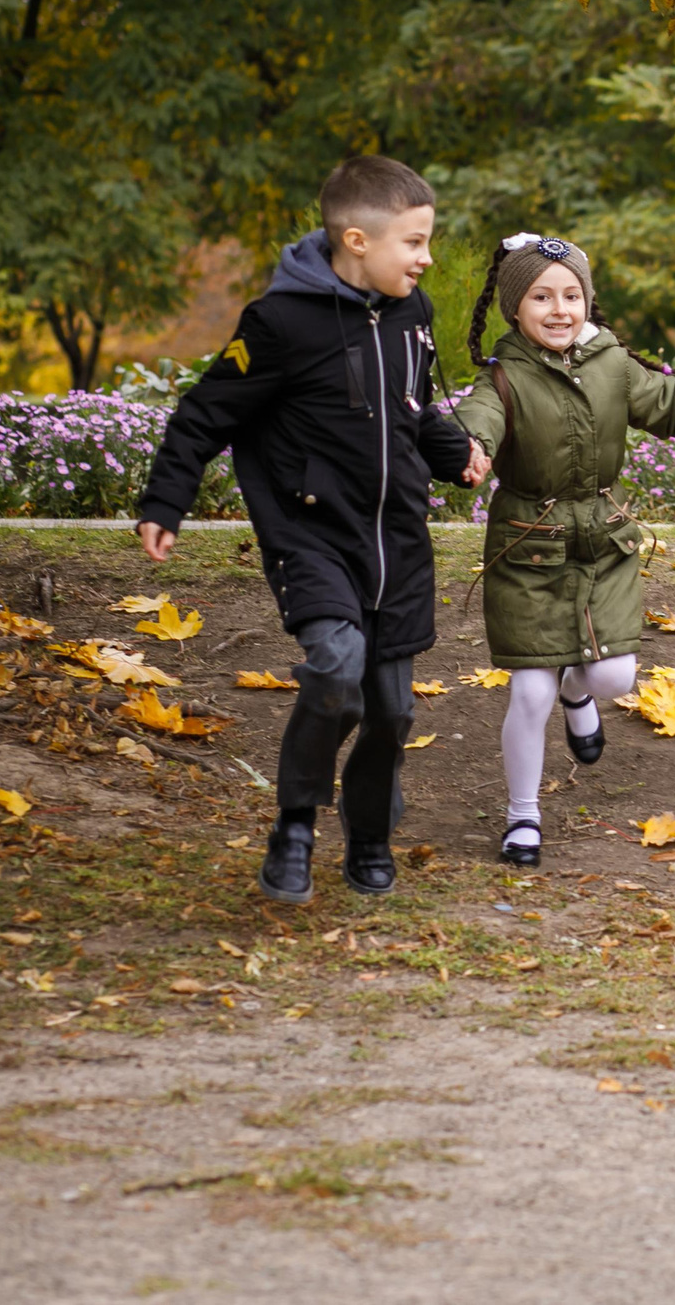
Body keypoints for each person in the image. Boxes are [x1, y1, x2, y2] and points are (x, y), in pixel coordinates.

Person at [137, 155, 489, 904]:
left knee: (392, 709)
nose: (427, 258)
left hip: (397, 543)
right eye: (415, 242)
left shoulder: (411, 315)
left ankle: (368, 836)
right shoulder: (279, 323)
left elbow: (415, 406)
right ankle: (295, 822)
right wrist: (165, 503)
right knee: (334, 671)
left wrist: (455, 451)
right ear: (357, 240)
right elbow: (205, 412)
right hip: (312, 535)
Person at [452, 233, 675, 868]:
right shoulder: (503, 377)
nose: (559, 309)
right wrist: (470, 447)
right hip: (530, 547)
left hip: (605, 540)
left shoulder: (609, 362)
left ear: (588, 300)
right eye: (541, 297)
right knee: (529, 692)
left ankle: (578, 693)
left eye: (572, 295)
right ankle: (522, 817)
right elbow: (479, 418)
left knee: (613, 676)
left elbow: (662, 401)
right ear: (514, 309)